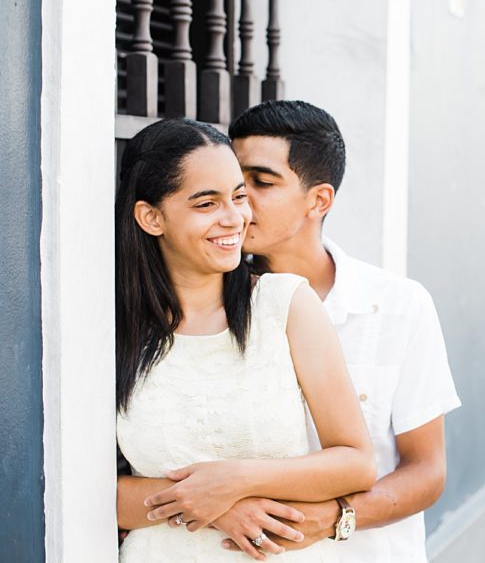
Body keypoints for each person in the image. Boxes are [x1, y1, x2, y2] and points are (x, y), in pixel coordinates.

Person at [114, 117, 376, 562]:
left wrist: (236, 481)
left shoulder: (285, 304)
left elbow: (356, 462)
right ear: (151, 217)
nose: (234, 218)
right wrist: (219, 509)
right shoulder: (116, 329)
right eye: (206, 204)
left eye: (238, 197)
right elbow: (89, 491)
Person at [221, 100, 461, 562]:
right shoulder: (208, 304)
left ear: (319, 200)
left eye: (261, 182)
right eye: (234, 180)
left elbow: (427, 470)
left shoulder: (399, 306)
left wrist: (336, 517)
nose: (239, 200)